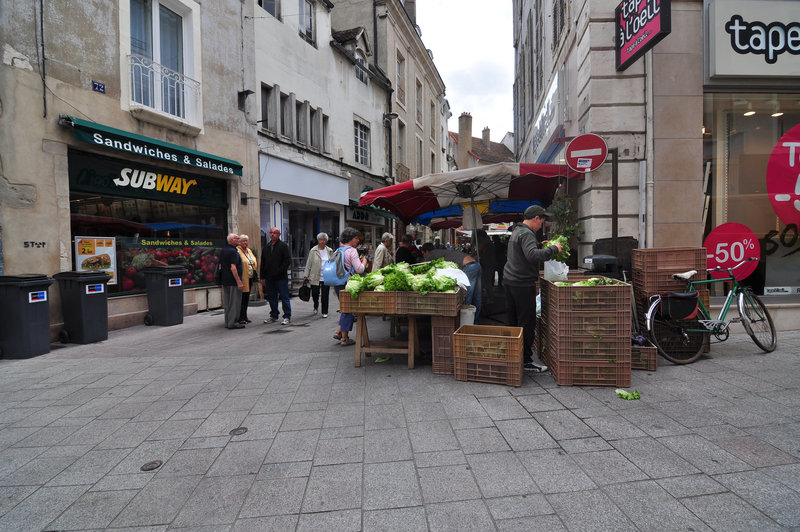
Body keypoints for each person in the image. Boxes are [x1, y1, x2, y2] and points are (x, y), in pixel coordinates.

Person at [503, 205, 563, 373]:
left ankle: (513, 356)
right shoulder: (527, 233)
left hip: (509, 281)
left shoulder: (517, 231)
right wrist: (553, 249)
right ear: (536, 218)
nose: (541, 226)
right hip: (522, 284)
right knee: (526, 323)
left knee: (513, 322)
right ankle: (525, 361)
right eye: (541, 222)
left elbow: (526, 252)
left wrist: (538, 246)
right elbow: (532, 255)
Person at [332, 227, 367, 346]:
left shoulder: (338, 250)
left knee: (344, 307)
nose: (358, 240)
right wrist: (364, 262)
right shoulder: (352, 251)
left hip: (337, 283)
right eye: (356, 238)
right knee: (348, 309)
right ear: (351, 239)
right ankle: (344, 338)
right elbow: (359, 269)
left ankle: (339, 332)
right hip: (348, 283)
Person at [260, 227, 292, 325]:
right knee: (272, 297)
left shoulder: (283, 246)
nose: (272, 234)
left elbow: (287, 261)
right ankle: (274, 315)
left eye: (275, 233)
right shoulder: (266, 247)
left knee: (284, 297)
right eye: (271, 233)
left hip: (280, 277)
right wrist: (262, 276)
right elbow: (263, 263)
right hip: (269, 278)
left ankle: (287, 316)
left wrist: (279, 271)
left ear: (279, 234)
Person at [303, 232, 333, 317]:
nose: (322, 241)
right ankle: (316, 305)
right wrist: (306, 274)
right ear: (318, 240)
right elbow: (309, 263)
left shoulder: (329, 251)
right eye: (320, 240)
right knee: (315, 293)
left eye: (324, 240)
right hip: (315, 275)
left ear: (326, 241)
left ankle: (324, 311)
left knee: (325, 295)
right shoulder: (313, 250)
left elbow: (333, 263)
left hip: (326, 276)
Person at [220, 233, 245, 329]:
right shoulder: (234, 252)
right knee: (235, 302)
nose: (239, 239)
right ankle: (233, 323)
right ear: (231, 240)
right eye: (236, 238)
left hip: (225, 280)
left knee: (228, 303)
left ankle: (228, 322)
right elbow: (233, 268)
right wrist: (239, 281)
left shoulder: (224, 250)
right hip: (233, 281)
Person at [237, 234, 258, 324]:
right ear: (240, 242)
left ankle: (245, 316)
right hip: (242, 278)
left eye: (246, 241)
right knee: (242, 299)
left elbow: (253, 261)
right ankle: (240, 317)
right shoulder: (237, 251)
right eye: (243, 241)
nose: (245, 242)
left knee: (246, 299)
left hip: (250, 277)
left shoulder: (249, 250)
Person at [462, 253, 482, 324]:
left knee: (468, 296)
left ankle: (467, 323)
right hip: (477, 265)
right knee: (477, 295)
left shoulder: (434, 255)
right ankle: (475, 321)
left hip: (469, 267)